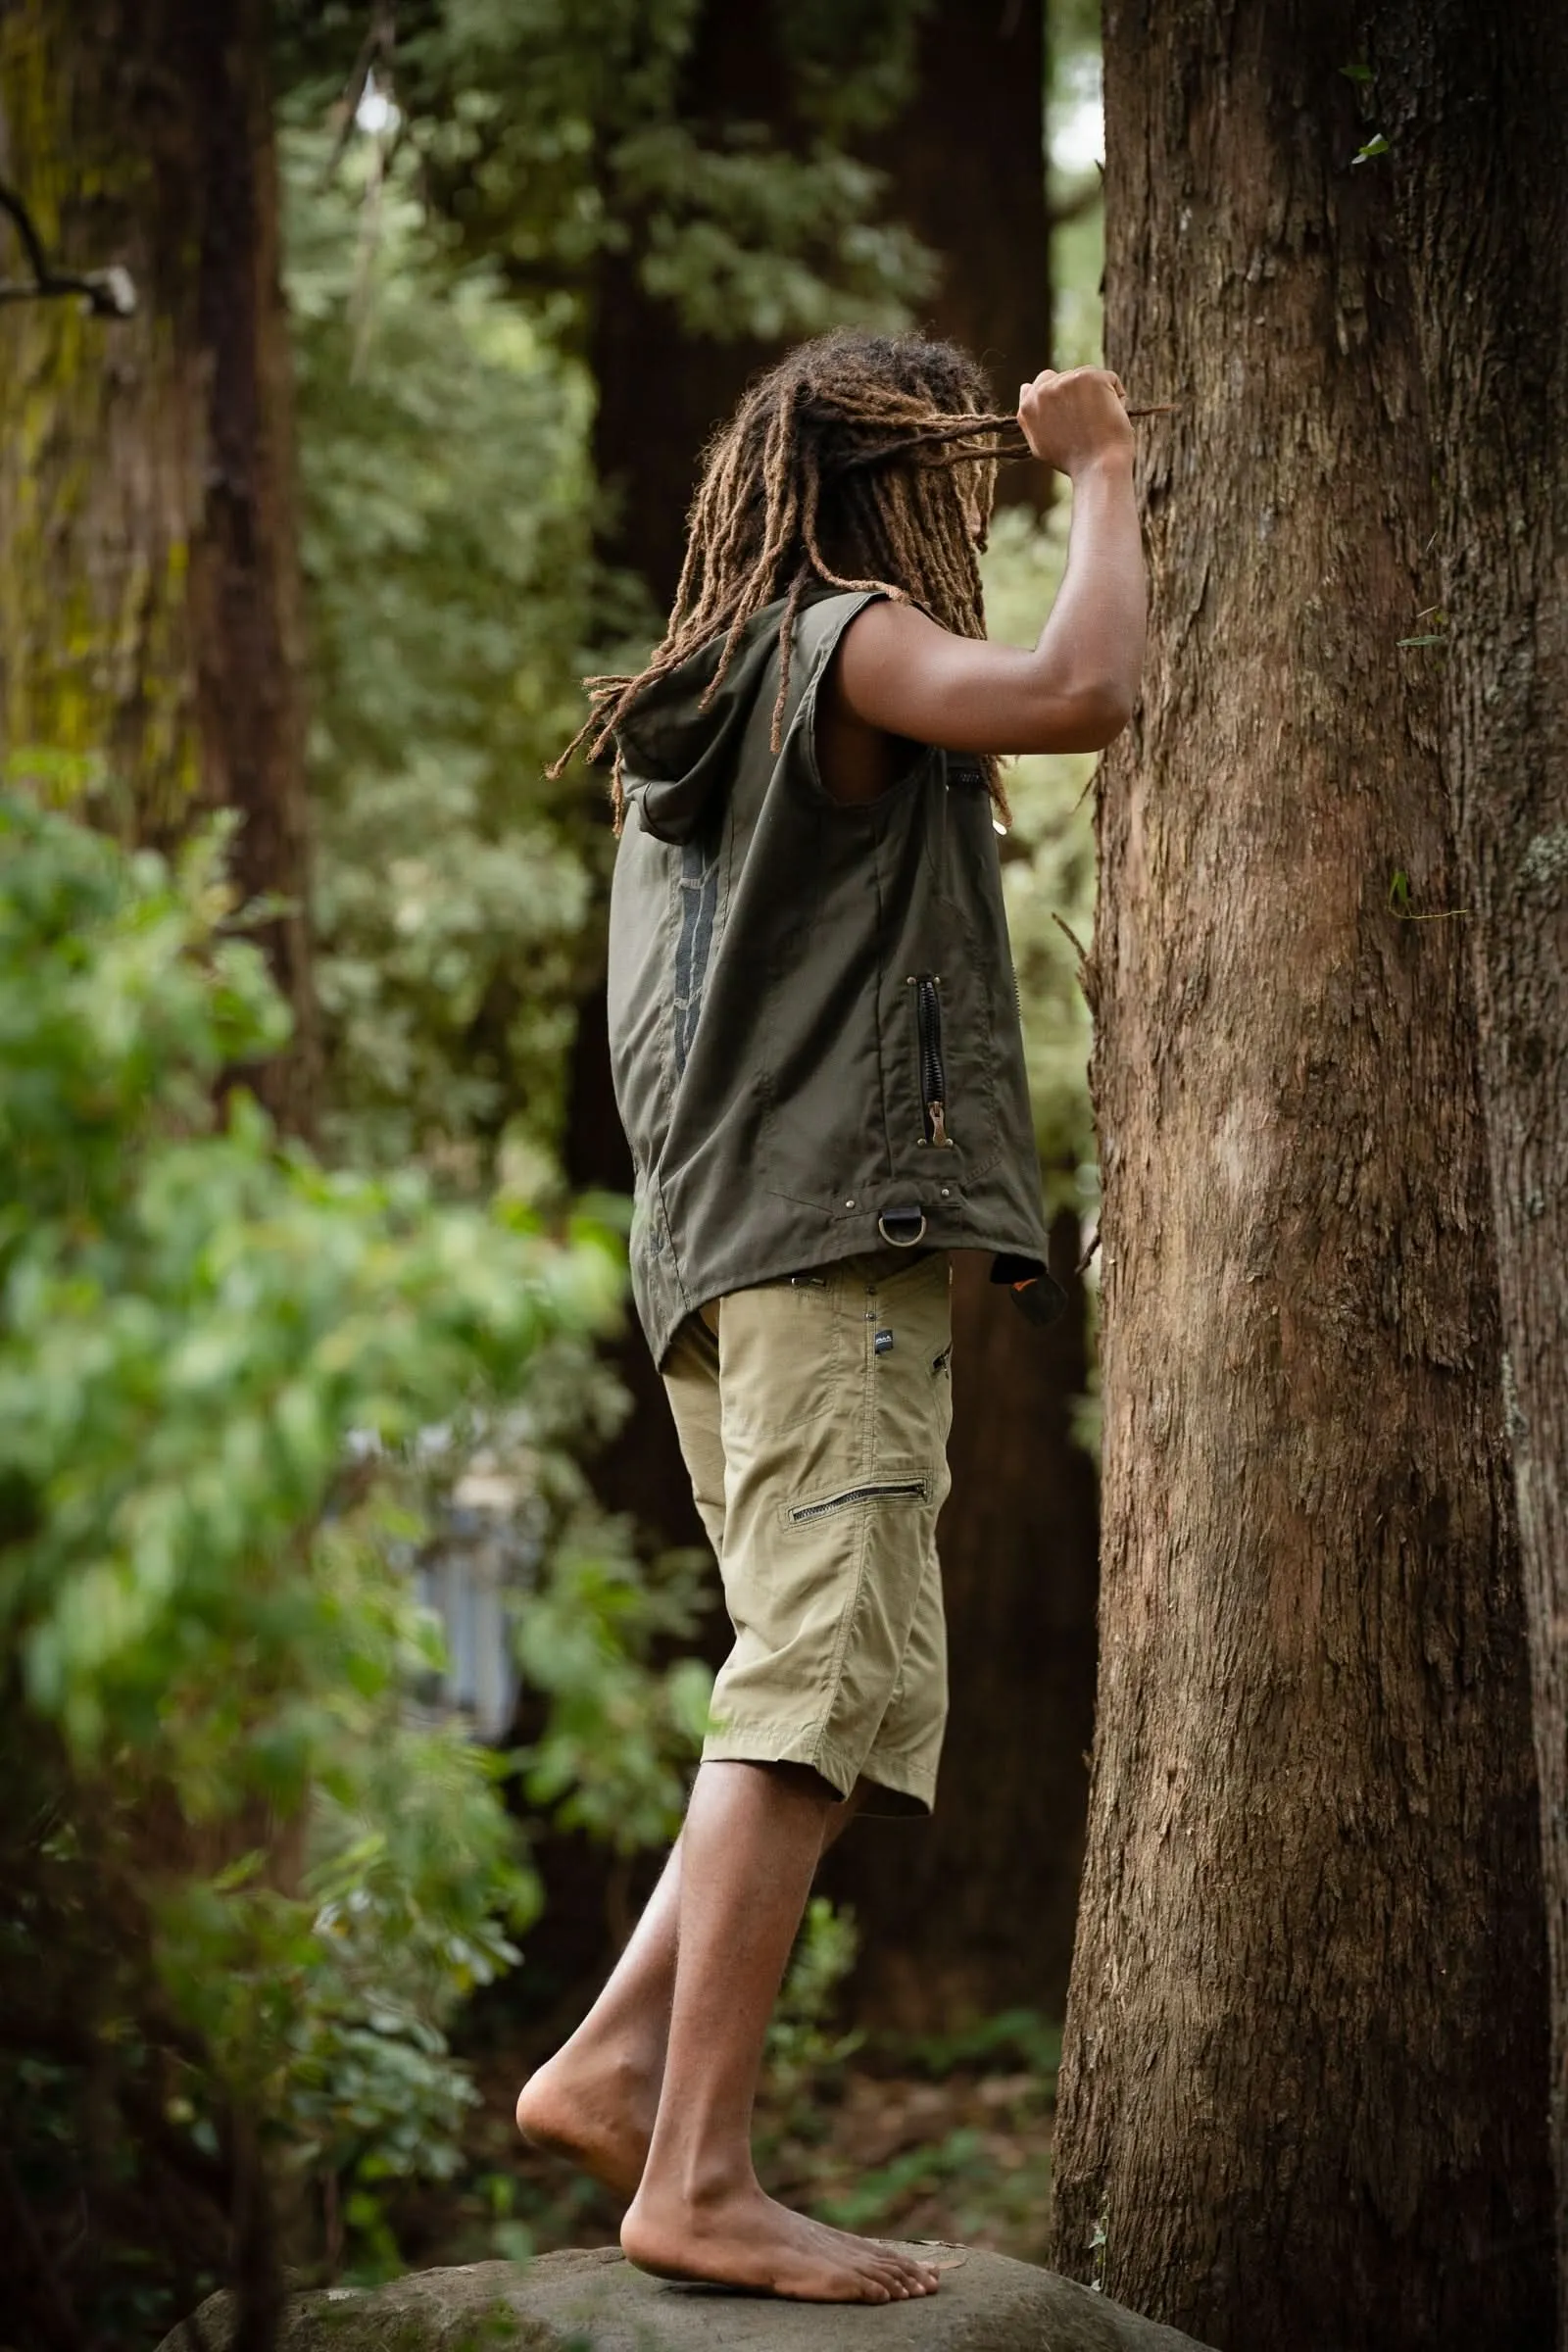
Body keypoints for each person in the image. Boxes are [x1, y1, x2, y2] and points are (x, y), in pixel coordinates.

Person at [516, 331, 1146, 2304]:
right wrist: (1102, 474)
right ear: (892, 492)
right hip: (820, 1246)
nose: (963, 534)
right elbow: (1079, 689)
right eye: (952, 500)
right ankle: (695, 2175)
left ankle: (618, 2063)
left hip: (717, 1253)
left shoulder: (688, 713)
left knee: (831, 1677)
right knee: (813, 1680)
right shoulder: (838, 643)